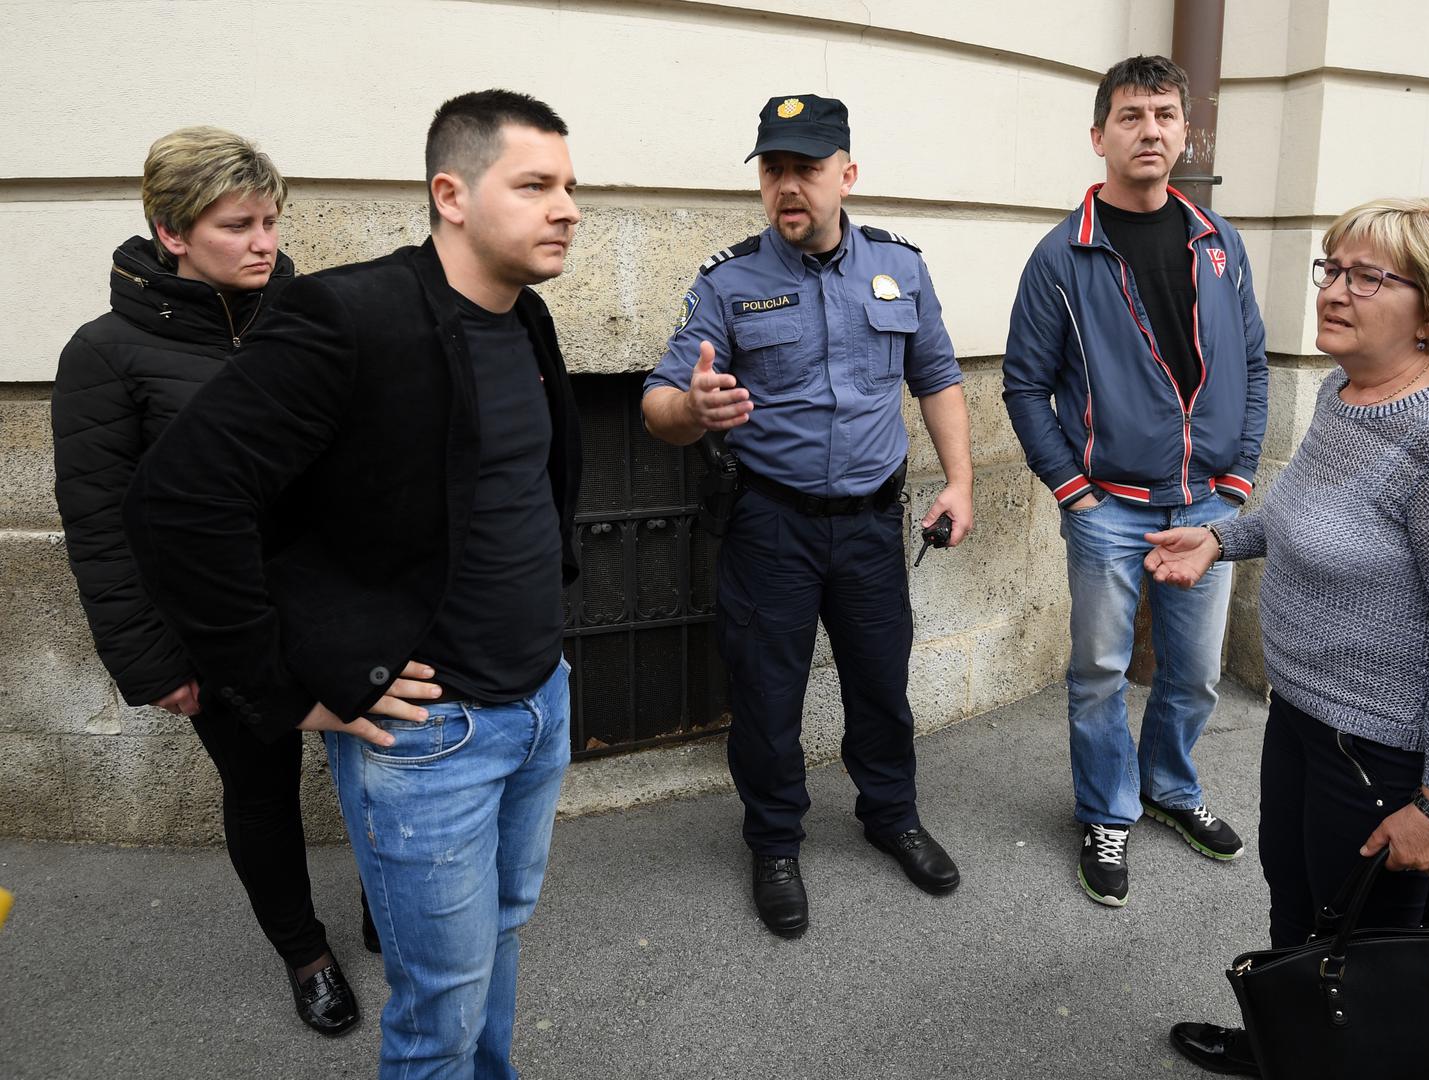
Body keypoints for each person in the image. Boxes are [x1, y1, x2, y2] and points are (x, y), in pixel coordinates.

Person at [122, 90, 583, 1078]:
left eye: (569, 186)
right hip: (430, 736)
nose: (567, 209)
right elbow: (181, 499)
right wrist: (284, 684)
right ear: (450, 195)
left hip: (538, 699)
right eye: (535, 185)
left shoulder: (526, 318)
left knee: (500, 935)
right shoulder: (349, 314)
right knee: (438, 1010)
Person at [1146, 197, 1429, 1076]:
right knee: (1298, 911)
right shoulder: (1346, 392)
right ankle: (1288, 1047)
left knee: (1370, 958)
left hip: (1389, 754)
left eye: (1368, 277)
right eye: (1333, 268)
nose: (1333, 290)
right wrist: (1220, 539)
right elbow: (1303, 510)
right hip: (1304, 716)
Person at [50, 126, 368, 1036]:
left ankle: (387, 908)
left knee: (379, 775)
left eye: (271, 221)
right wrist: (151, 661)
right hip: (215, 630)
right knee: (260, 791)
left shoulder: (312, 323)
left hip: (334, 611)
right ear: (172, 231)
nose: (264, 242)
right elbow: (101, 525)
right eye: (238, 225)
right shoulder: (105, 353)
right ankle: (306, 956)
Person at [642, 94, 974, 938]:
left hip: (870, 525)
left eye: (807, 168)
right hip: (771, 527)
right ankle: (774, 842)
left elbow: (936, 376)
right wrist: (692, 408)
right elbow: (657, 403)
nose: (788, 185)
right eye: (773, 169)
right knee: (765, 695)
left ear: (846, 174)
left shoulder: (899, 267)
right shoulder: (727, 282)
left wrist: (959, 481)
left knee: (880, 683)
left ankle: (891, 815)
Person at [1002, 55, 1268, 907]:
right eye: (1129, 116)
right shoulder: (1061, 254)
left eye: (1163, 115)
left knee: (1193, 673)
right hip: (1108, 508)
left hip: (1206, 504)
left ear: (1184, 131)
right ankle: (1105, 810)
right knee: (1098, 674)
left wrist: (1237, 477)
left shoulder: (1218, 243)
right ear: (1099, 136)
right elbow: (1023, 385)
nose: (1148, 130)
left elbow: (1252, 364)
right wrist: (1071, 491)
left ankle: (1170, 788)